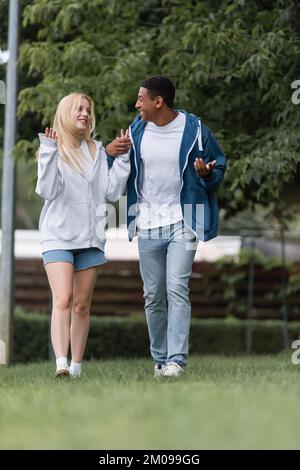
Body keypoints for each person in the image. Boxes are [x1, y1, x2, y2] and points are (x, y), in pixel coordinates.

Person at [125, 75, 226, 377]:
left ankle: (176, 361)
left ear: (159, 102)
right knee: (153, 295)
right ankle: (160, 359)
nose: (136, 104)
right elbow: (123, 170)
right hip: (148, 222)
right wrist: (112, 154)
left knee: (177, 288)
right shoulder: (137, 129)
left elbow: (218, 167)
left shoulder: (194, 129)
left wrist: (207, 174)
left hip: (184, 219)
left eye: (141, 99)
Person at [36, 92, 131, 378]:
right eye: (78, 108)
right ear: (65, 113)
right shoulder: (53, 148)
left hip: (90, 238)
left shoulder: (98, 151)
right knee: (63, 298)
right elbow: (47, 190)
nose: (84, 113)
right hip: (58, 237)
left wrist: (123, 159)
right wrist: (50, 151)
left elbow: (112, 191)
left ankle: (76, 367)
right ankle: (61, 363)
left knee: (82, 305)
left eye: (88, 109)